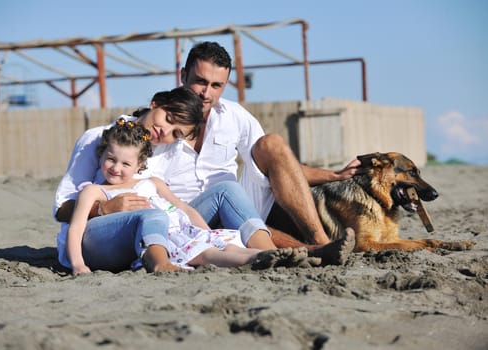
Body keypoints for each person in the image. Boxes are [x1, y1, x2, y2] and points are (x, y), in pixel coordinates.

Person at [55, 86, 311, 273]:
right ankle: (162, 262)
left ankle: (269, 254)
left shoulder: (169, 148)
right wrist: (102, 208)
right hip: (104, 232)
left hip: (164, 223)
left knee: (226, 190)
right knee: (154, 217)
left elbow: (179, 202)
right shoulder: (99, 139)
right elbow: (62, 208)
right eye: (167, 118)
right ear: (155, 103)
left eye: (175, 132)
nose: (165, 131)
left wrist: (209, 236)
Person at [145, 41, 358, 264]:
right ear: (183, 75)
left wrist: (334, 176)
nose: (206, 93)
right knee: (231, 197)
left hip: (235, 205)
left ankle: (320, 241)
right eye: (200, 82)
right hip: (186, 216)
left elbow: (284, 165)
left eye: (217, 85)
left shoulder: (233, 115)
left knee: (272, 144)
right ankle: (311, 252)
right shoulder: (160, 124)